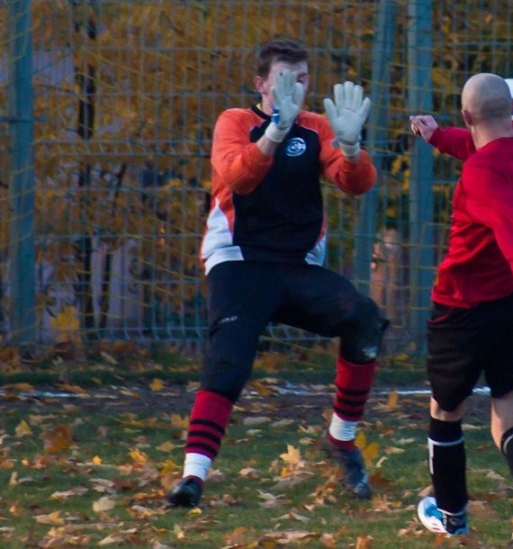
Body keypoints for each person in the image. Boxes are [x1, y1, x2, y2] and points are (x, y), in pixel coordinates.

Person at [166, 38, 388, 508]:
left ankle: (341, 443)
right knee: (229, 359)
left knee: (364, 317)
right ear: (261, 83)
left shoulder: (317, 128)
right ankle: (193, 476)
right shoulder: (236, 122)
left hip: (296, 265)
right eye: (286, 78)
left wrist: (350, 148)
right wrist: (272, 133)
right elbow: (237, 177)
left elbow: (356, 185)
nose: (297, 87)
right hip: (239, 261)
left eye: (304, 78)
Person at [409, 73, 513, 547]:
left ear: (467, 115)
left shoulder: (481, 175)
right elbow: (486, 148)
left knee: (446, 410)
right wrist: (438, 137)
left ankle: (453, 516)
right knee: (511, 419)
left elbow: (509, 223)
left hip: (466, 306)